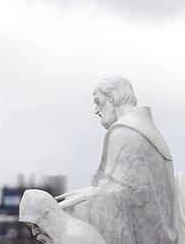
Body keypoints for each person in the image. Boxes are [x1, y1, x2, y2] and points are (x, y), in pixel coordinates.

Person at [58, 76, 177, 244]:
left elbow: (121, 196)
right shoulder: (145, 130)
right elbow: (118, 187)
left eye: (98, 102)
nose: (96, 110)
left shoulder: (125, 132)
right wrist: (77, 195)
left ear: (111, 97)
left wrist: (65, 207)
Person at [19, 189, 105, 244]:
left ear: (48, 214)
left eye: (36, 225)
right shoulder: (68, 234)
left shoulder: (76, 237)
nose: (34, 233)